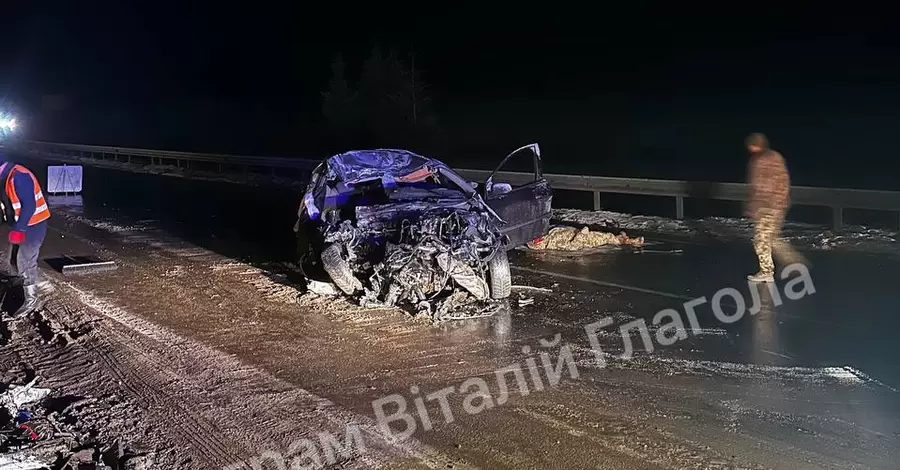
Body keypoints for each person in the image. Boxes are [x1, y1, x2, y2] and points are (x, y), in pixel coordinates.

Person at [0, 159, 51, 316]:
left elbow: (30, 206)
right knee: (13, 259)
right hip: (23, 224)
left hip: (34, 224)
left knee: (24, 260)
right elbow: (7, 205)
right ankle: (37, 281)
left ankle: (31, 299)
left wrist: (20, 229)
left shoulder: (19, 176)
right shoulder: (5, 176)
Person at [744, 132, 793, 282]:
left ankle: (767, 271)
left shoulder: (770, 159)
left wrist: (775, 205)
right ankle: (790, 261)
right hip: (764, 207)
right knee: (769, 238)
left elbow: (780, 183)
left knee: (762, 239)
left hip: (770, 207)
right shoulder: (759, 159)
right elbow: (757, 187)